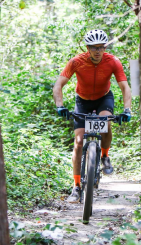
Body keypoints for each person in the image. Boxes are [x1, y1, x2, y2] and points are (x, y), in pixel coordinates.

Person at [53, 29, 132, 203]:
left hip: (104, 98)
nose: (98, 51)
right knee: (79, 142)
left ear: (105, 47)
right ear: (87, 48)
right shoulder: (76, 62)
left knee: (105, 122)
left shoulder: (113, 62)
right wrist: (60, 106)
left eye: (101, 47)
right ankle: (76, 187)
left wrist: (127, 109)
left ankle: (104, 156)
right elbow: (58, 84)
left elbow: (125, 87)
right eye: (94, 47)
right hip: (82, 101)